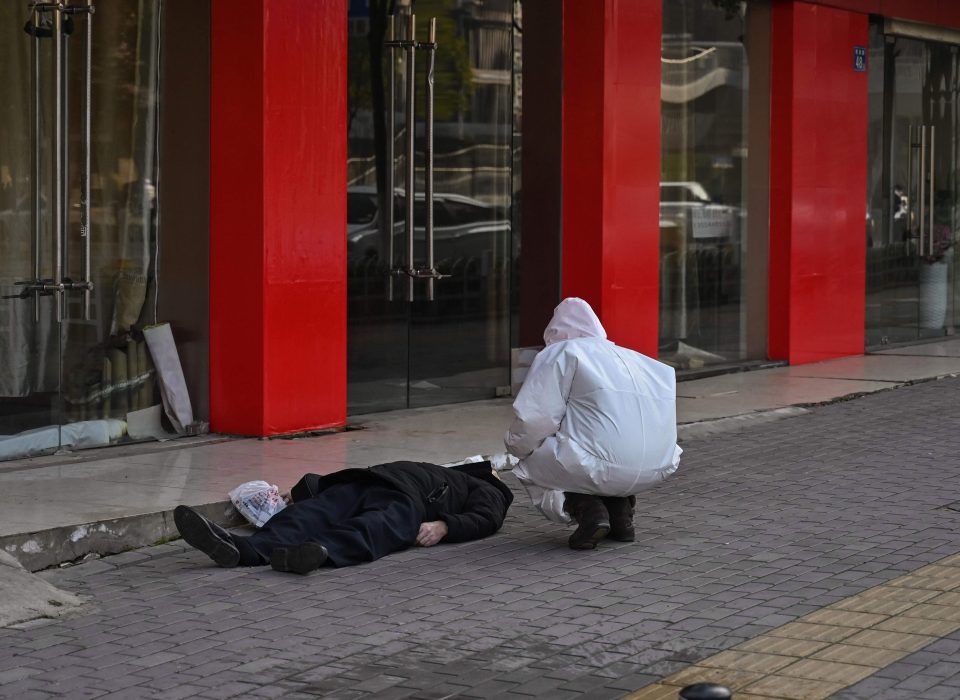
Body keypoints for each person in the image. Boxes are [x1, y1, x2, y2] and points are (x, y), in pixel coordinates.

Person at [505, 298, 682, 550]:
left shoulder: (562, 352)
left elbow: (536, 418)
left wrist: (515, 447)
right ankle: (620, 514)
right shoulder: (633, 358)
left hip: (601, 465)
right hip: (659, 464)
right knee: (591, 451)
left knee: (530, 462)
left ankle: (586, 511)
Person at [174, 460, 513, 574]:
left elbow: (487, 519)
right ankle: (248, 550)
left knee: (356, 524)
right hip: (383, 484)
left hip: (399, 495)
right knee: (313, 513)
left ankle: (293, 553)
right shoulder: (452, 474)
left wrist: (444, 526)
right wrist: (310, 489)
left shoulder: (489, 487)